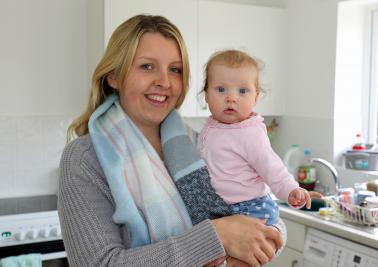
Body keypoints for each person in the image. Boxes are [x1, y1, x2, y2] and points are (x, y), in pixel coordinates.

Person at [58, 15, 286, 267]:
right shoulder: (84, 159)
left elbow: (264, 211)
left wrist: (270, 236)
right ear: (114, 76)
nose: (164, 82)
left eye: (175, 70)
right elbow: (100, 263)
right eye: (147, 66)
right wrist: (218, 236)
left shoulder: (199, 144)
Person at [198, 50, 321, 229]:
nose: (231, 98)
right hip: (221, 208)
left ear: (255, 97)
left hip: (249, 208)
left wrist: (290, 190)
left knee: (240, 252)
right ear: (206, 95)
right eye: (221, 89)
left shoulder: (250, 133)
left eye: (242, 91)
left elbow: (272, 167)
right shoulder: (210, 127)